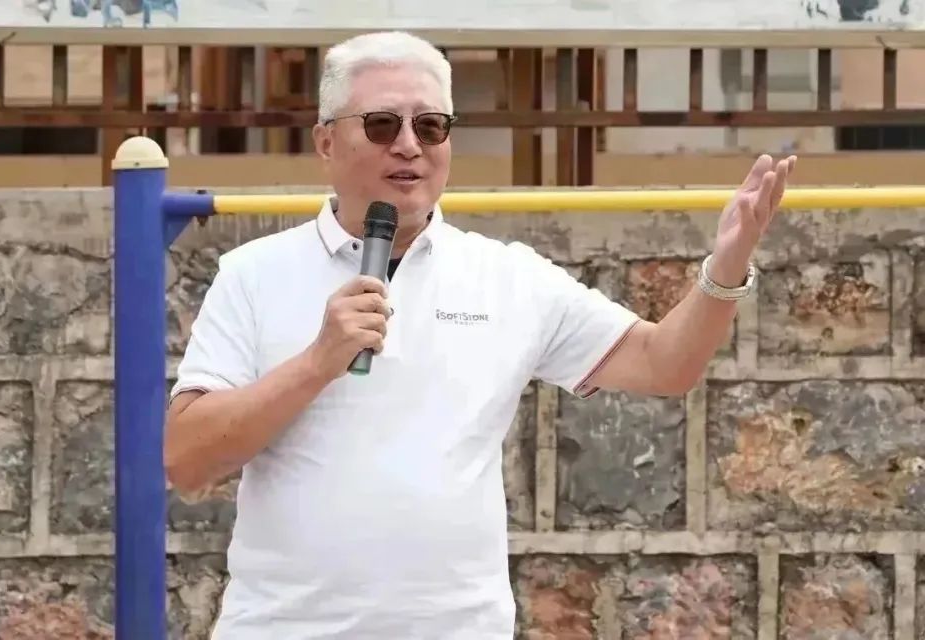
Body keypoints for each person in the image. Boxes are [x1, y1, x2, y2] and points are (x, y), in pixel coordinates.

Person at [164, 30, 796, 639]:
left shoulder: (507, 276)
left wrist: (726, 265)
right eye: (382, 125)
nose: (408, 146)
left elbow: (664, 364)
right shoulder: (253, 274)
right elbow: (186, 460)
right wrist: (315, 363)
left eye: (430, 126)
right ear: (326, 142)